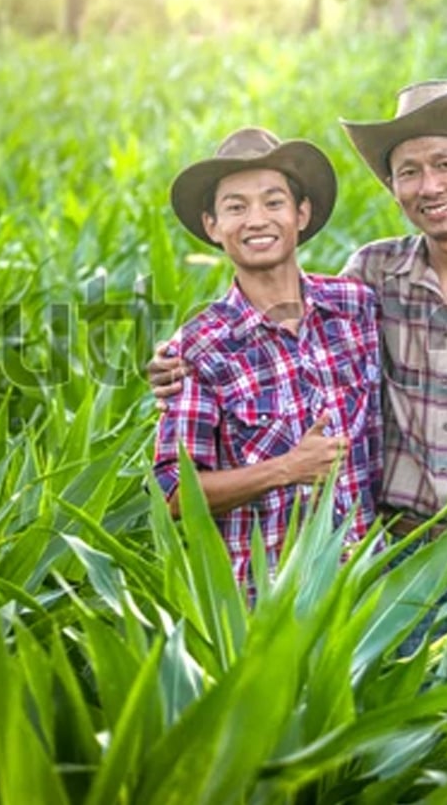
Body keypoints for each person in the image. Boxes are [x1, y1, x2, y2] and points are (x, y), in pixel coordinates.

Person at [151, 82, 447, 661]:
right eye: (408, 171)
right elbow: (277, 319)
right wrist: (176, 363)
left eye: (445, 165)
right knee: (416, 733)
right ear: (394, 187)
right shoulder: (371, 278)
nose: (429, 186)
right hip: (407, 562)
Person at [152, 127, 383, 600]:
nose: (257, 219)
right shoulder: (198, 349)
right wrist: (288, 468)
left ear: (301, 214)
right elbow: (173, 492)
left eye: (273, 202)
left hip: (374, 590)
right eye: (236, 207)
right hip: (269, 602)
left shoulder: (358, 308)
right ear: (213, 226)